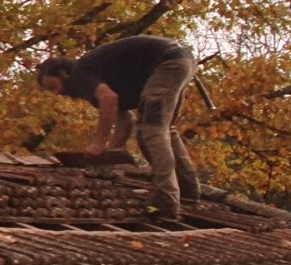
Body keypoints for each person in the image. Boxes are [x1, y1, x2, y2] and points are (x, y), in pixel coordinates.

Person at [36, 36, 202, 217]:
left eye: (53, 86)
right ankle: (188, 191)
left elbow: (109, 99)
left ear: (63, 74)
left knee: (152, 131)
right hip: (181, 61)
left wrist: (98, 143)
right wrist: (112, 151)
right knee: (162, 129)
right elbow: (124, 120)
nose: (57, 93)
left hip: (167, 62)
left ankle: (165, 200)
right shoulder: (99, 79)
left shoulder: (79, 74)